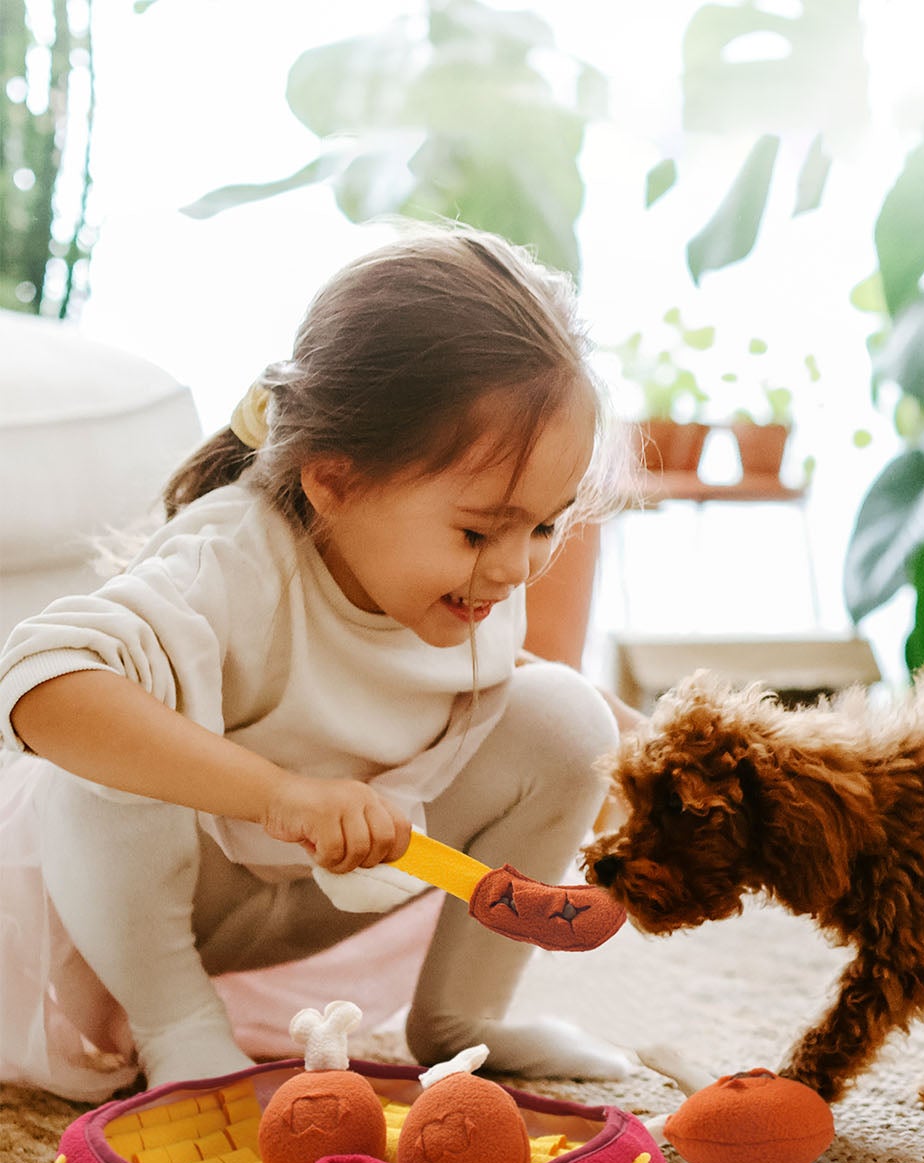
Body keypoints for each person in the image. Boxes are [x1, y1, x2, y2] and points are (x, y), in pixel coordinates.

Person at [0, 226, 642, 1102]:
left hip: (313, 896)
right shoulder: (234, 556)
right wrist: (280, 794)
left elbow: (454, 685)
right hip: (143, 911)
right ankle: (180, 1030)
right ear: (333, 480)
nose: (517, 566)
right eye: (479, 530)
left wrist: (634, 744)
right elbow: (40, 686)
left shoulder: (473, 573)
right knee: (97, 762)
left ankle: (460, 1018)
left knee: (570, 719)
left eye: (545, 525)